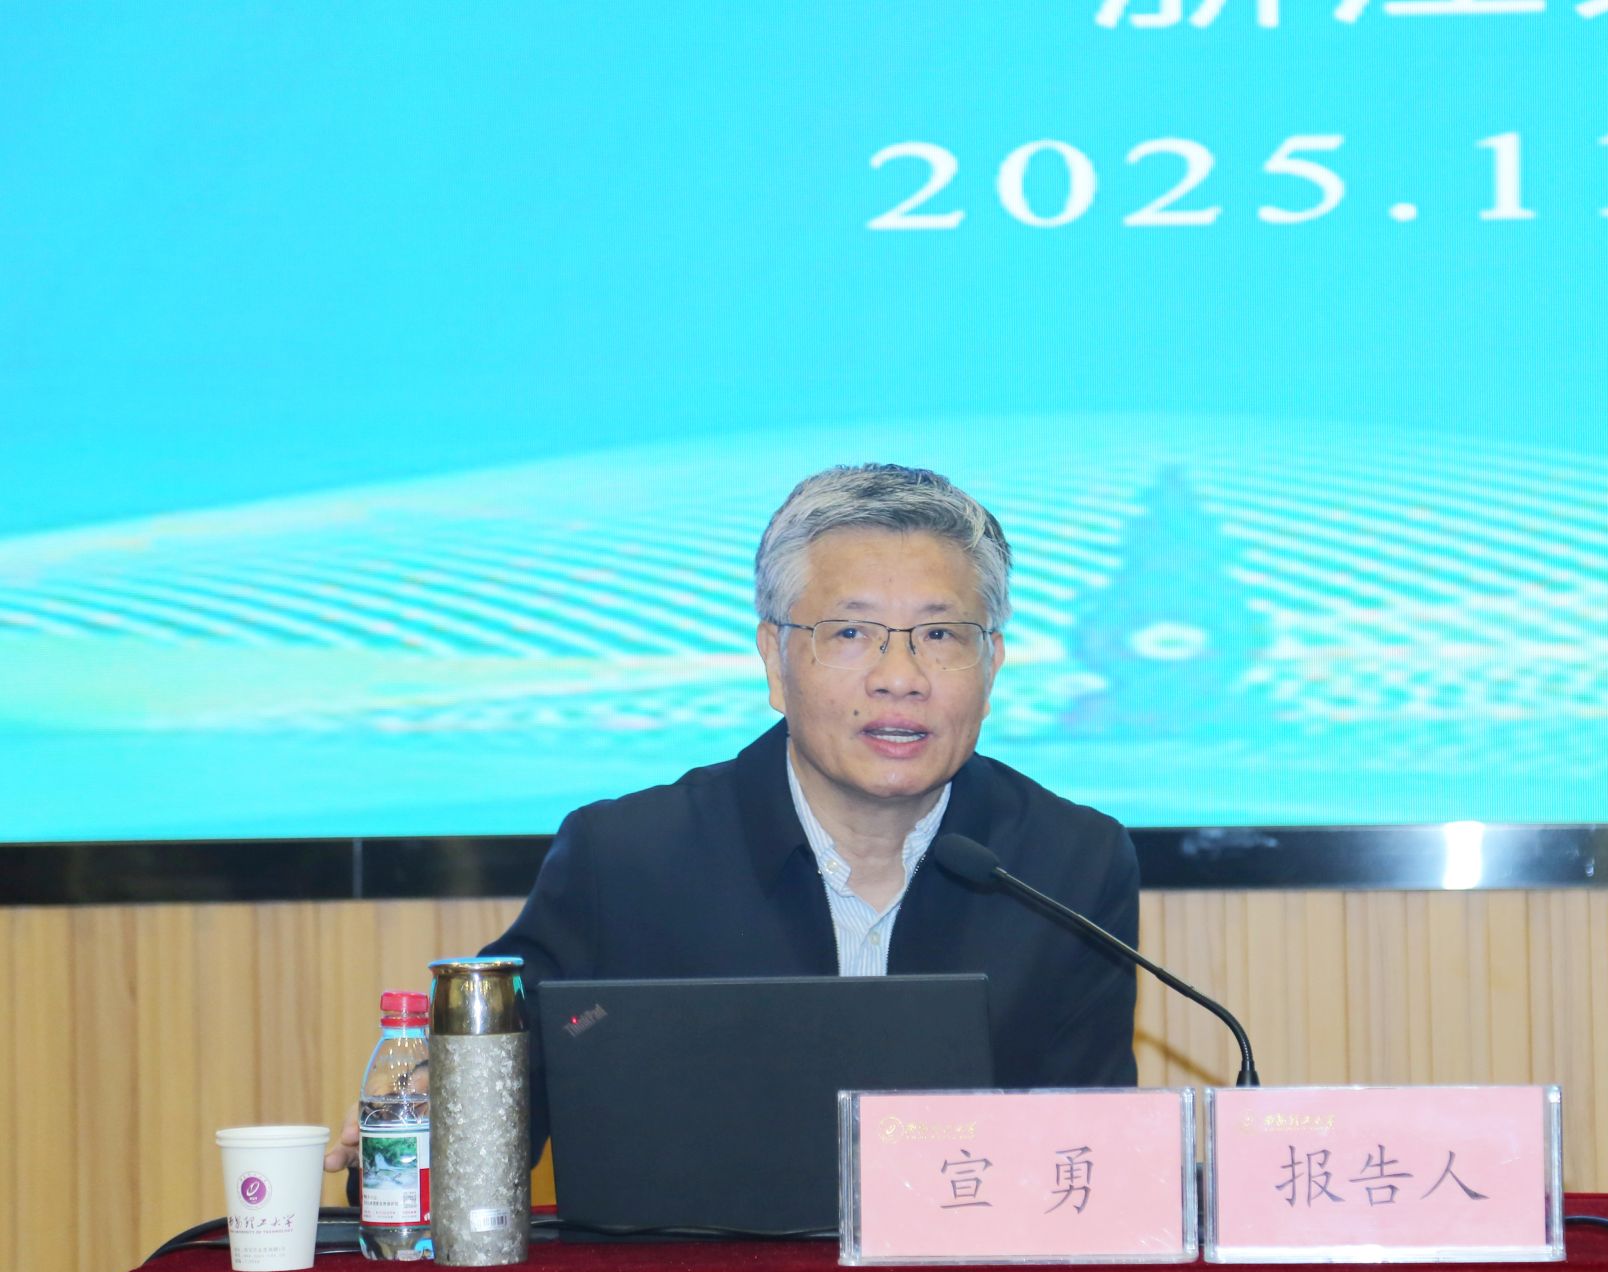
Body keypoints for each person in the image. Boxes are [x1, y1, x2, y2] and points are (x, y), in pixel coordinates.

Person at [327, 463, 1139, 1176]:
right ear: (774, 661)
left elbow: (1096, 1160)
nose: (900, 676)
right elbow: (486, 1126)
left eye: (939, 633)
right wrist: (419, 1127)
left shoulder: (1068, 862)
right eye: (850, 632)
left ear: (992, 665)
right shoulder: (628, 860)